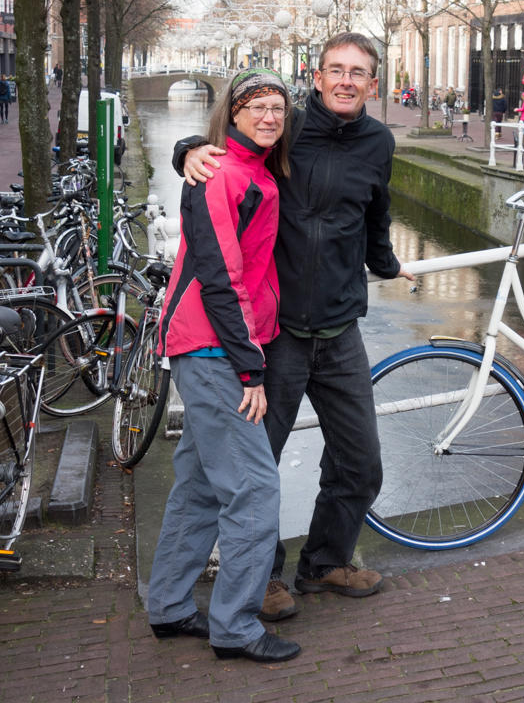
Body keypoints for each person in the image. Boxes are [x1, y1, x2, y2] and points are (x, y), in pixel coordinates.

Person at [176, 33, 413, 625]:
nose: (345, 81)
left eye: (357, 72)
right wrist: (187, 149)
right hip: (276, 333)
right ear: (318, 75)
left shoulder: (379, 143)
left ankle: (325, 561)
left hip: (339, 327)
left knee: (360, 461)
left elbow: (376, 214)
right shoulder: (287, 126)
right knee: (260, 466)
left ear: (373, 84)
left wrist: (387, 264)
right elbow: (230, 148)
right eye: (336, 69)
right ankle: (261, 578)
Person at [148, 68, 301, 665]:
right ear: (232, 114)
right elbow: (219, 277)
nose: (269, 116)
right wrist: (250, 369)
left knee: (199, 486)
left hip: (214, 346)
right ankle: (235, 626)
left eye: (277, 108)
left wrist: (186, 148)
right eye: (256, 106)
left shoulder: (252, 169)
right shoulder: (222, 174)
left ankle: (168, 605)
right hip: (214, 349)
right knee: (255, 491)